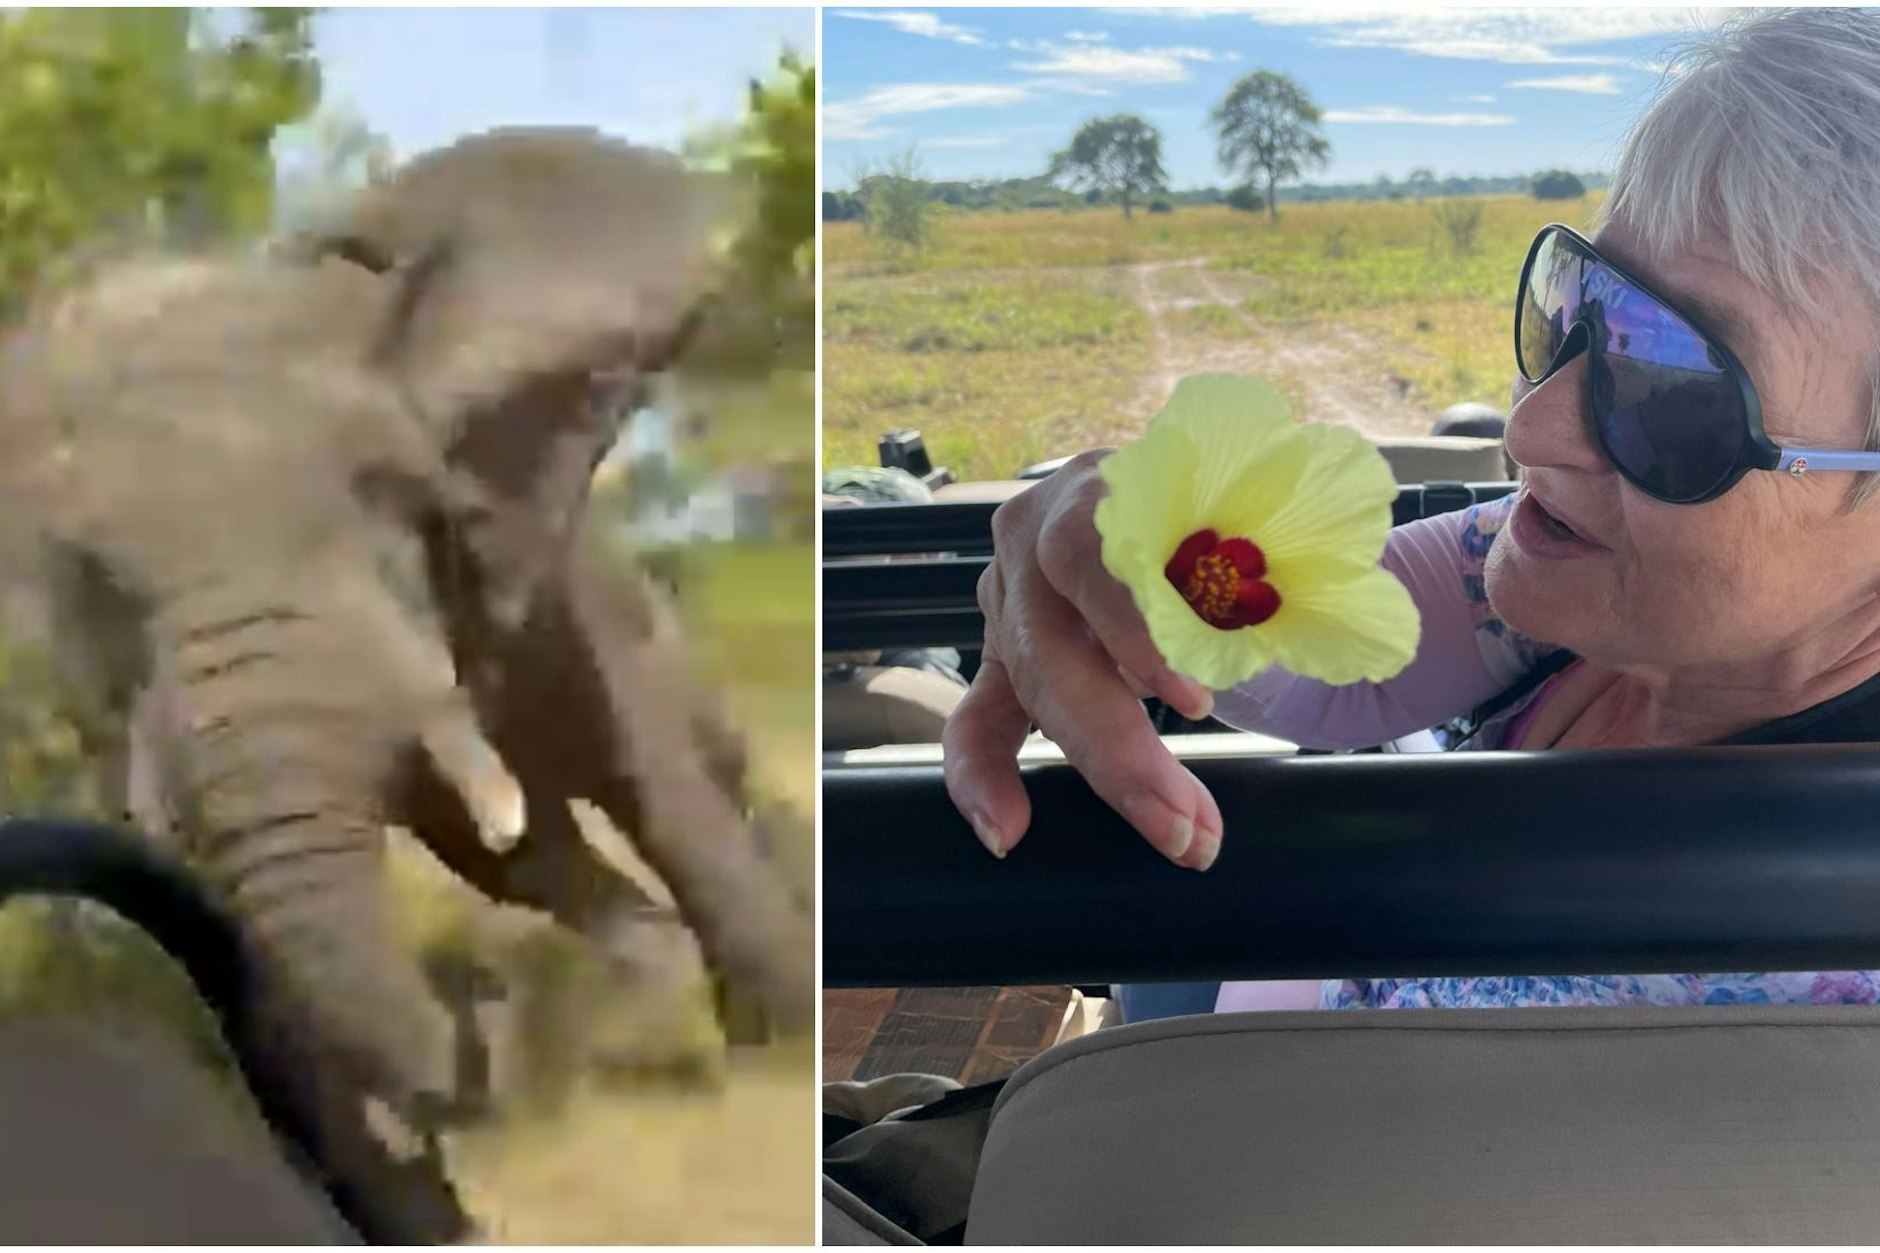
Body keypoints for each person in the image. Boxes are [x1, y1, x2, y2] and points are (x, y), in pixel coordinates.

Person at [941, 8, 1880, 1015]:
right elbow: (1331, 645)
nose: (1528, 426)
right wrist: (1140, 545)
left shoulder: (1800, 978)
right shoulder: (1602, 594)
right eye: (1577, 305)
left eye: (1674, 389)